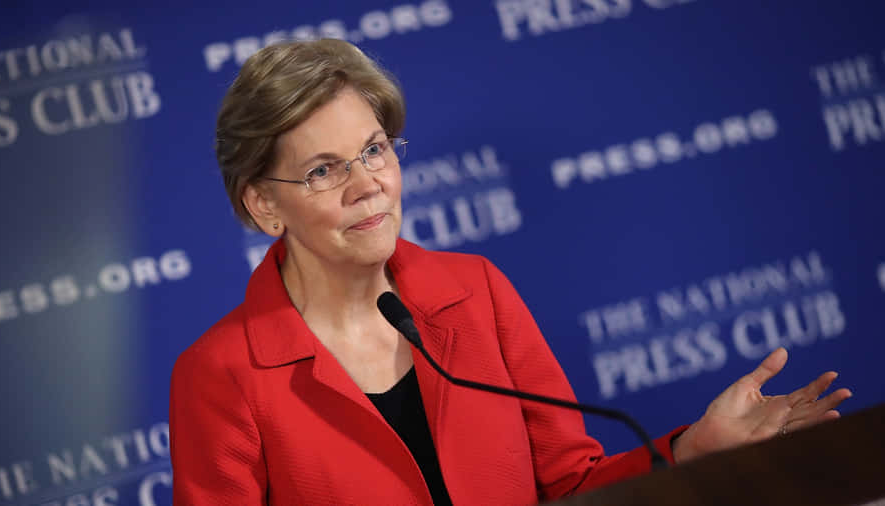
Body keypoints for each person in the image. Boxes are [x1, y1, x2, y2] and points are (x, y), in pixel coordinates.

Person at [169, 39, 851, 505]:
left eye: (374, 150)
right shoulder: (221, 377)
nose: (368, 185)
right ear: (264, 205)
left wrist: (695, 449)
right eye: (324, 170)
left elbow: (570, 486)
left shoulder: (477, 292)